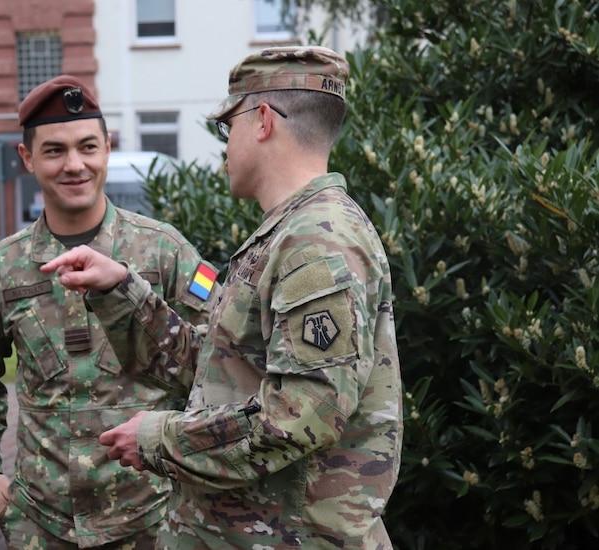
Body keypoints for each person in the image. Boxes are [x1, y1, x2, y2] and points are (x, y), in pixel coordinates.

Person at [41, 46, 404, 549]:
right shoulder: (292, 232)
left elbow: (302, 415)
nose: (224, 145)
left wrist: (159, 438)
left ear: (260, 121)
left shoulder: (318, 240)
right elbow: (222, 372)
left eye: (225, 126)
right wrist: (121, 291)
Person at [0, 75, 219, 549]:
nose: (75, 165)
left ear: (108, 148)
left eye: (87, 147)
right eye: (54, 151)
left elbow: (218, 368)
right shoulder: (2, 270)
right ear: (27, 158)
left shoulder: (165, 253)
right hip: (41, 523)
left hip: (153, 520)